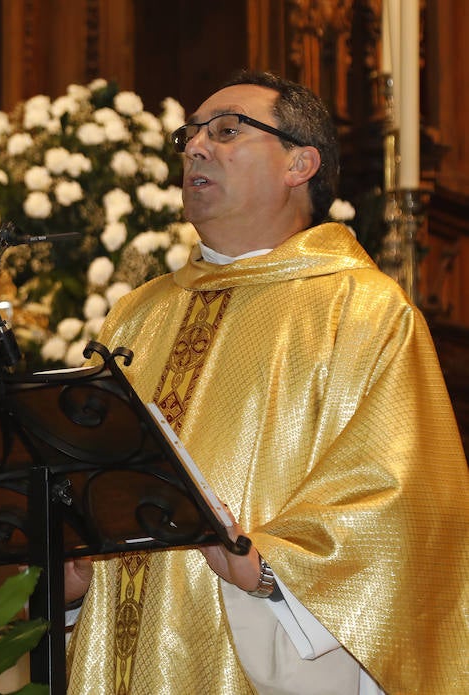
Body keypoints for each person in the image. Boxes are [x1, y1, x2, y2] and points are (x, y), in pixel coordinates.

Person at [64, 71, 469, 694]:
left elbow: (408, 506)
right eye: (189, 136)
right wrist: (65, 577)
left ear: (300, 164)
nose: (195, 148)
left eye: (226, 131)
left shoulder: (361, 309)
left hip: (262, 654)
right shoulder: (135, 315)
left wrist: (270, 569)